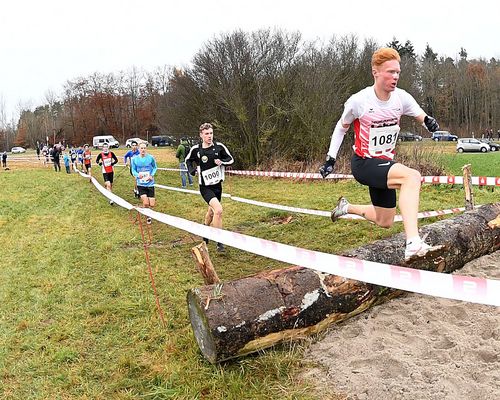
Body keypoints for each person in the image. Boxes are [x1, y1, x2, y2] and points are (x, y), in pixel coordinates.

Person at [319, 47, 442, 262]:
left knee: (385, 219)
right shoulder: (358, 101)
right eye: (390, 72)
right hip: (364, 163)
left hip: (384, 163)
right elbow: (341, 128)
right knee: (412, 177)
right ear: (375, 72)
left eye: (397, 72)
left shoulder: (401, 98)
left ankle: (346, 207)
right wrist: (331, 159)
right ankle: (413, 242)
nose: (395, 77)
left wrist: (429, 122)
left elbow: (421, 115)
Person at [186, 122, 234, 252]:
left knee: (211, 212)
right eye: (206, 134)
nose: (209, 136)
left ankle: (205, 231)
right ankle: (220, 241)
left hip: (217, 186)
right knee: (218, 210)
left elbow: (230, 159)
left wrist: (222, 162)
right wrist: (192, 170)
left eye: (211, 133)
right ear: (201, 135)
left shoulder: (219, 147)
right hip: (205, 187)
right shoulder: (196, 149)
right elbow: (188, 160)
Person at [131, 142, 158, 223]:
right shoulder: (134, 159)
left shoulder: (150, 158)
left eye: (144, 148)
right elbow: (133, 170)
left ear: (146, 149)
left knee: (152, 204)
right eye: (141, 148)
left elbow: (155, 167)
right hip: (140, 184)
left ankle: (146, 212)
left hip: (150, 183)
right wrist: (137, 175)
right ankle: (148, 216)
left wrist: (152, 175)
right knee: (146, 203)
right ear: (138, 149)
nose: (143, 150)